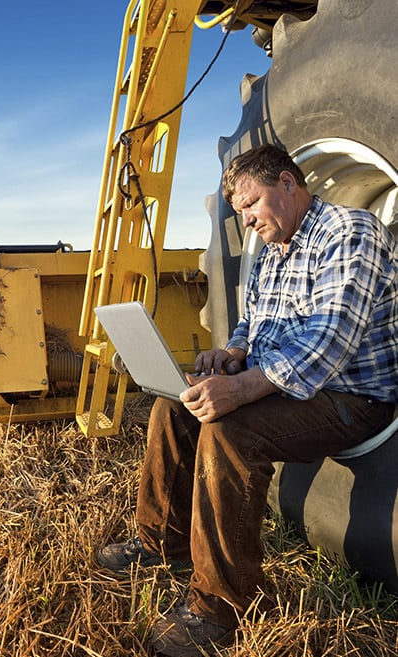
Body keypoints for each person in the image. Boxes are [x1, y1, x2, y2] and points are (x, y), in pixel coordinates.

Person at [96, 144, 398, 656]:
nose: (246, 218)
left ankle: (220, 607)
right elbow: (252, 320)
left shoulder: (350, 233)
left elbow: (328, 344)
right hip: (295, 387)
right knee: (176, 406)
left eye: (251, 203)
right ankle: (159, 543)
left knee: (230, 428)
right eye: (238, 210)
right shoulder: (273, 249)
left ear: (287, 182)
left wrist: (241, 388)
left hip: (354, 397)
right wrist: (233, 354)